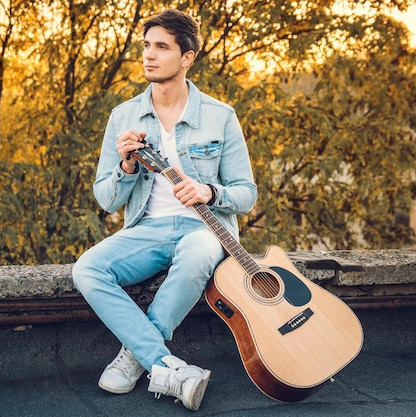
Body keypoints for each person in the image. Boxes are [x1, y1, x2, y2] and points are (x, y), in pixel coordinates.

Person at [72, 8, 257, 411]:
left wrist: (209, 191)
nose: (148, 55)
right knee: (86, 268)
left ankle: (134, 357)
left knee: (195, 257)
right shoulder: (124, 116)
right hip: (147, 228)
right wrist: (126, 167)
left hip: (204, 232)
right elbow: (106, 199)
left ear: (187, 57)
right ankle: (165, 364)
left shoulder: (220, 116)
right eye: (146, 46)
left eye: (161, 47)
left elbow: (247, 194)